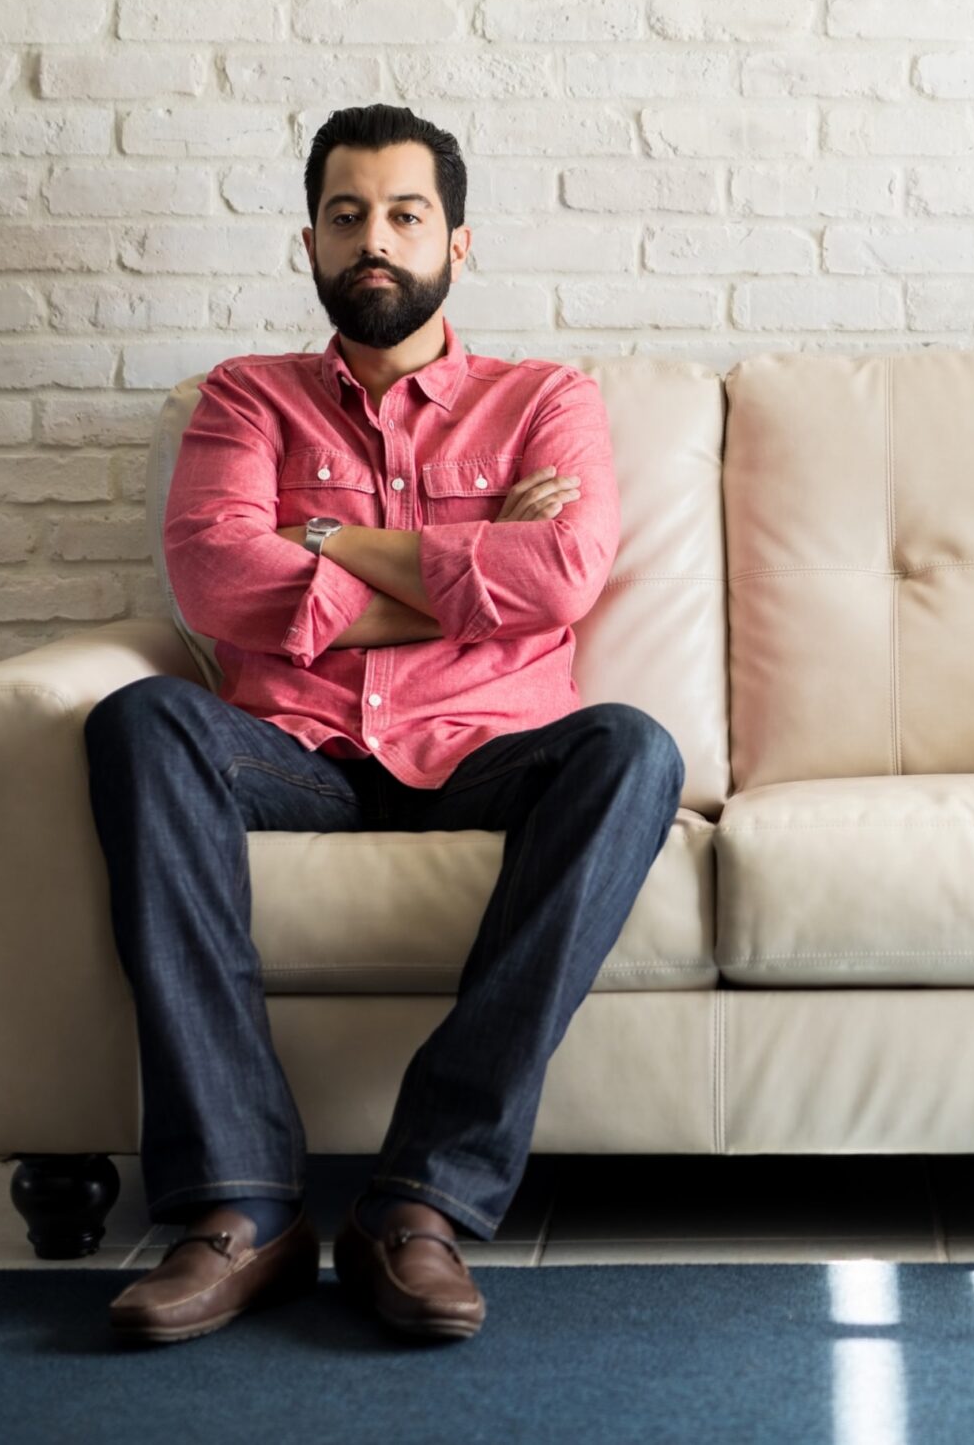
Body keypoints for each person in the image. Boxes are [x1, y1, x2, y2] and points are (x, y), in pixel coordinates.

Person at [85, 104, 684, 1345]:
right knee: (145, 719)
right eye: (347, 215)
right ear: (307, 240)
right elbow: (212, 585)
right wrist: (469, 566)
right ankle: (240, 1206)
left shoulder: (542, 399)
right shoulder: (246, 400)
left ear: (457, 244)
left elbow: (562, 578)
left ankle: (419, 1197)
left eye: (406, 216)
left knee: (632, 751)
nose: (376, 240)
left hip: (487, 751)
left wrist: (324, 544)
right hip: (294, 754)